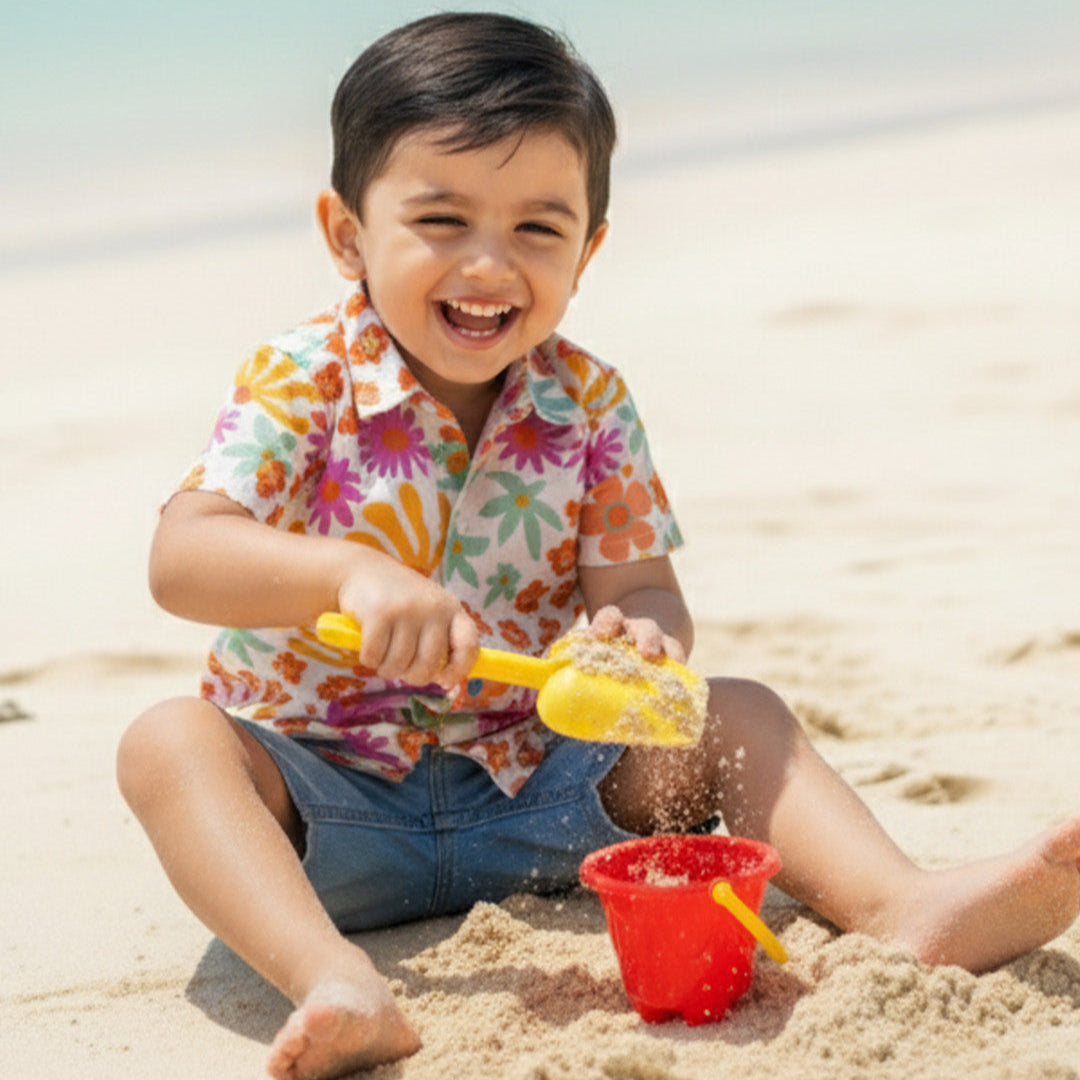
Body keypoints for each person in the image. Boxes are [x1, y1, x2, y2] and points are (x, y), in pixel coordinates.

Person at [116, 12, 1080, 1080]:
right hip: (334, 811)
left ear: (590, 246)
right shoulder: (306, 379)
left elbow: (644, 587)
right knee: (169, 740)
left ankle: (901, 905)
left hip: (544, 798)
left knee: (737, 711)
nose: (489, 265)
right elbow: (184, 557)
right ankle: (333, 977)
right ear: (347, 233)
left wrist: (639, 639)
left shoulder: (589, 403)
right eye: (440, 219)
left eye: (538, 229)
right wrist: (350, 570)